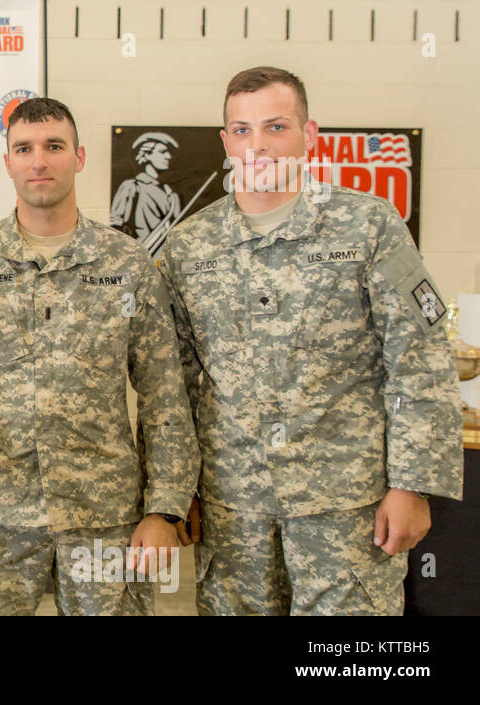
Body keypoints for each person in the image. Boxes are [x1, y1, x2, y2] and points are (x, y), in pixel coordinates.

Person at [159, 66, 463, 615]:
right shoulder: (189, 246)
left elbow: (420, 358)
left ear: (309, 133)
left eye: (276, 127)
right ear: (226, 140)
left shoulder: (367, 225)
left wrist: (413, 484)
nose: (259, 146)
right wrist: (178, 494)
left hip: (346, 506)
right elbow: (174, 385)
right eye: (243, 130)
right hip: (235, 509)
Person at [0, 98, 198, 616]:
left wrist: (164, 508)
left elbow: (164, 393)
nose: (39, 161)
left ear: (79, 156)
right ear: (8, 163)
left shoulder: (126, 263)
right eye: (24, 148)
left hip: (103, 511)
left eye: (53, 146)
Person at [109, 131, 181, 255]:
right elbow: (115, 227)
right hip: (141, 256)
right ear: (147, 154)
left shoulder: (169, 192)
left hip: (166, 258)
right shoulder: (132, 186)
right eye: (163, 152)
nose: (168, 156)